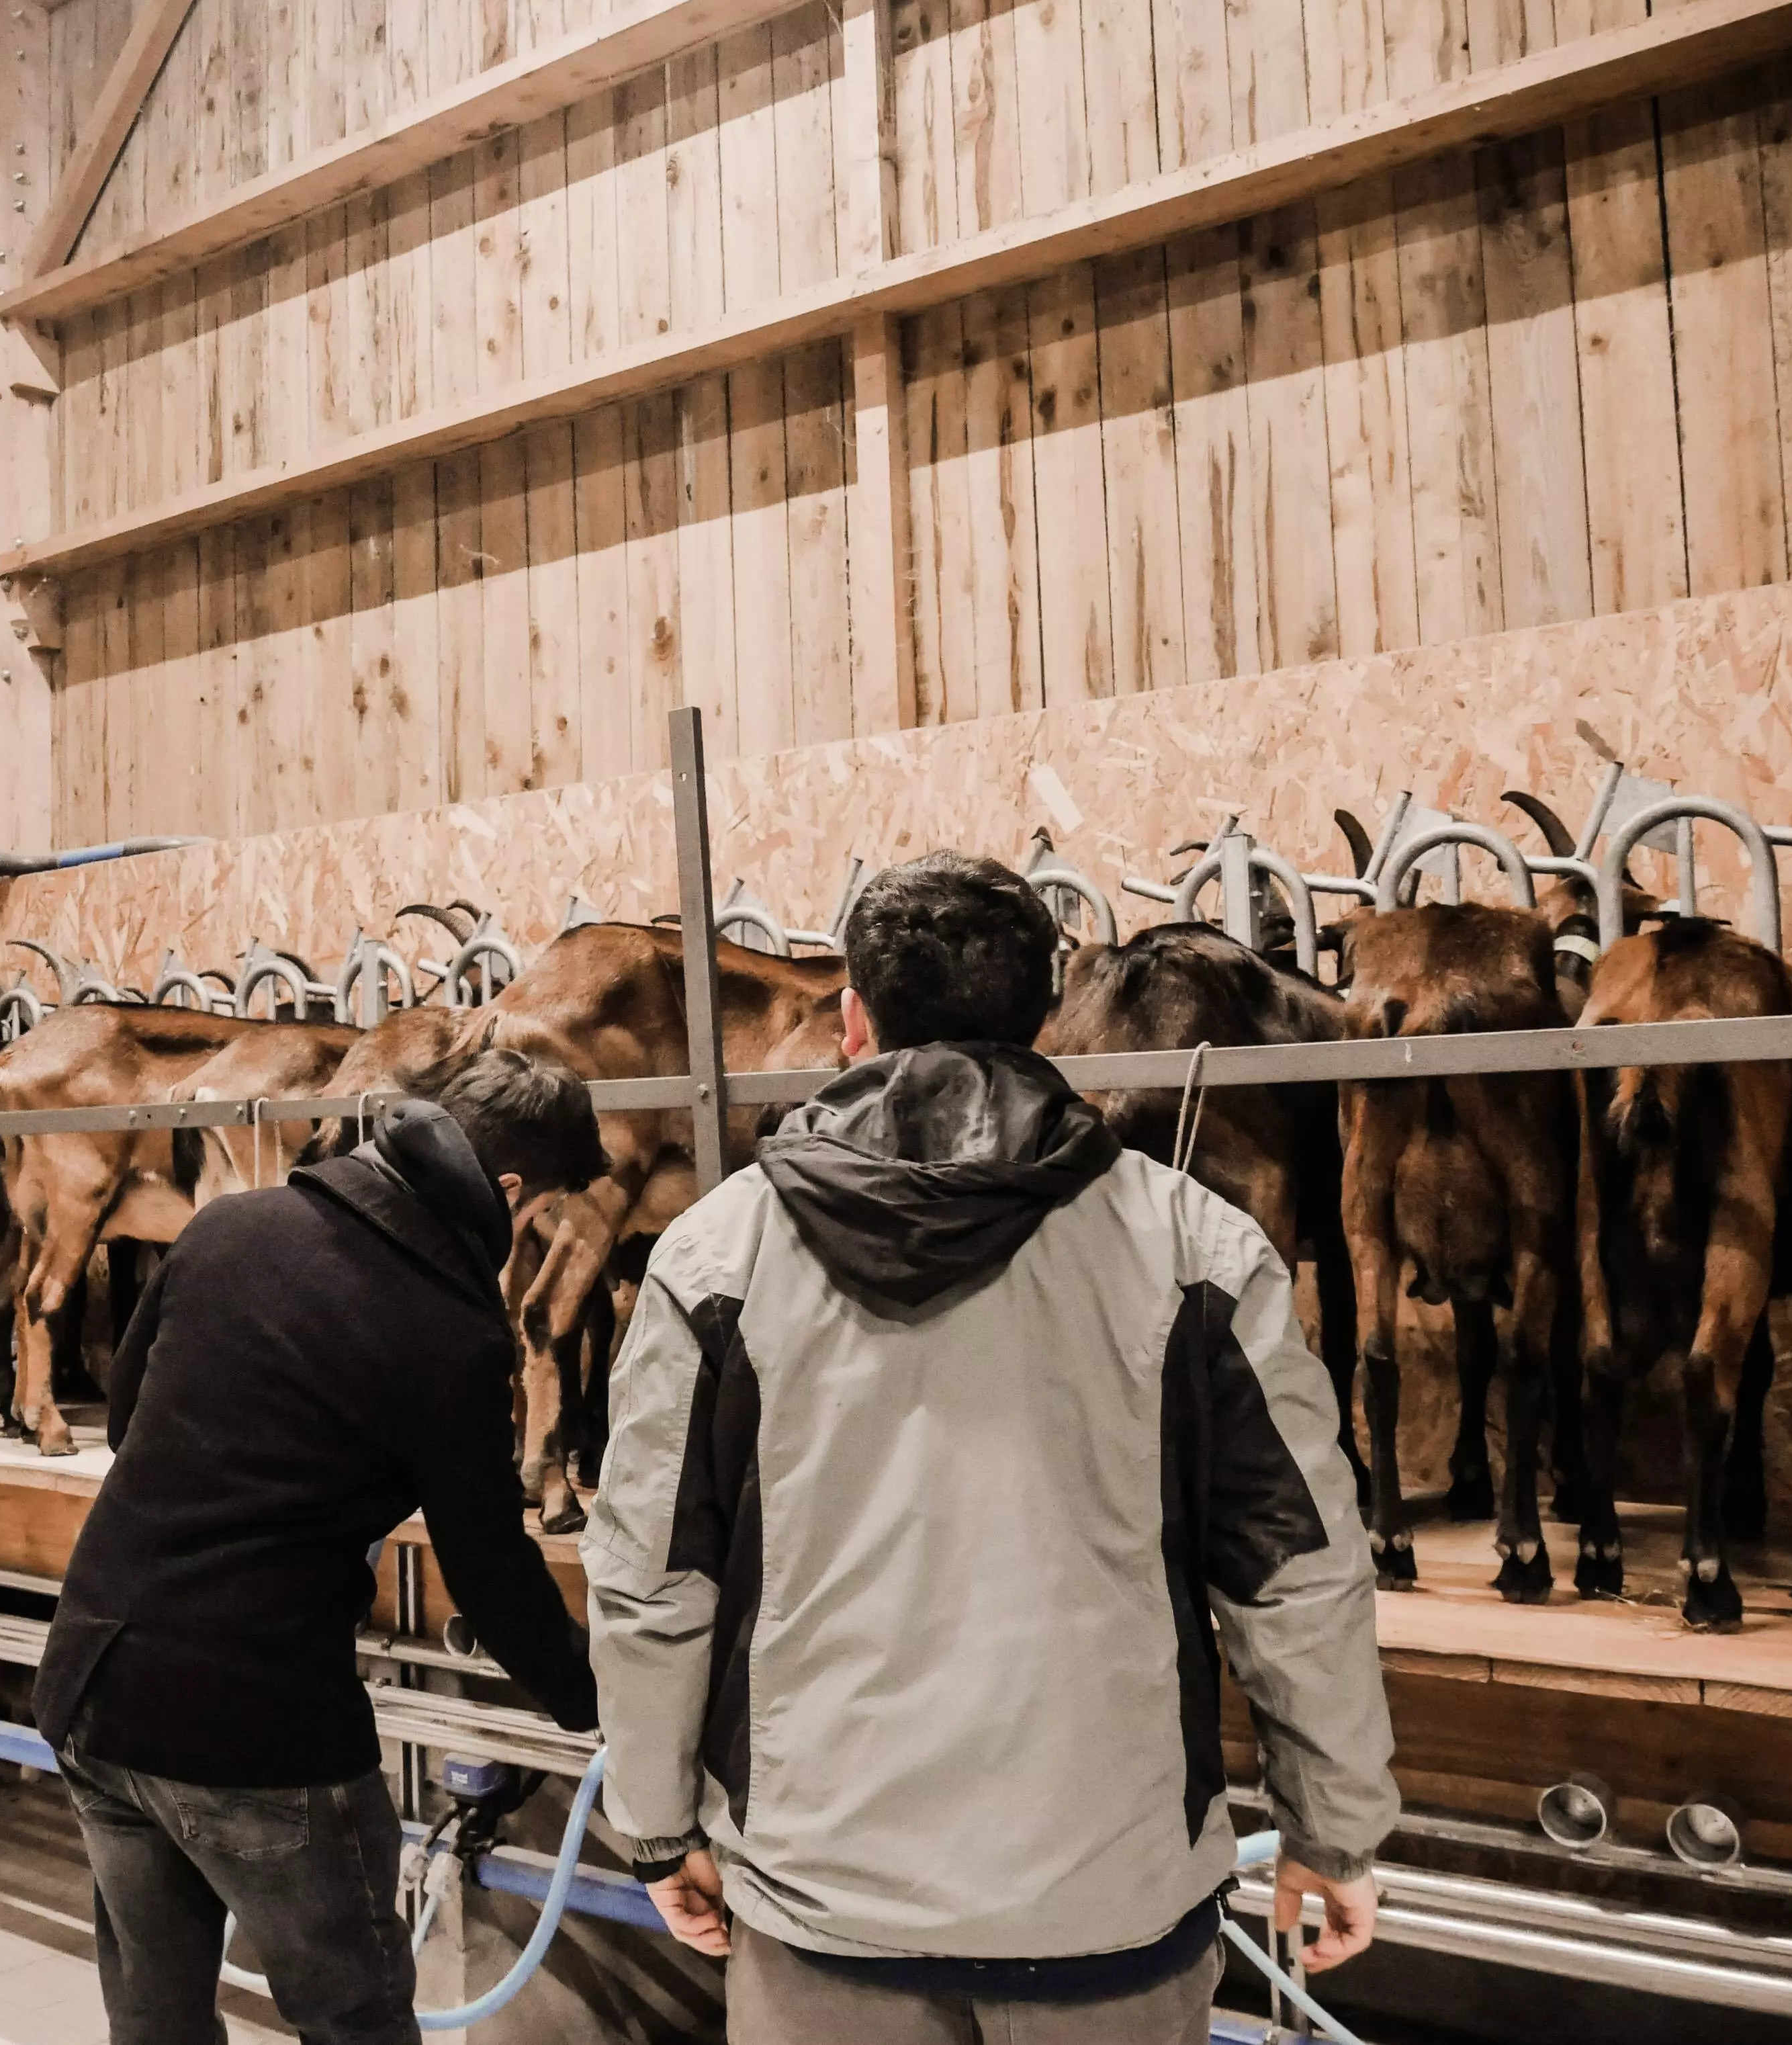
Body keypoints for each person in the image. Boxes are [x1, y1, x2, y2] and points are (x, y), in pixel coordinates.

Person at [586, 851, 1396, 2043]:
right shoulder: (1196, 1250)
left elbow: (652, 1578)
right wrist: (1332, 1829)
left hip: (826, 1919)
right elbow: (1296, 1575)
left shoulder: (715, 1260)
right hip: (1108, 1911)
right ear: (1045, 1017)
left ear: (854, 1016)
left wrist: (655, 1824)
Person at [32, 1051, 611, 2045]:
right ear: (505, 1189)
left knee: (154, 2021)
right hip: (256, 1727)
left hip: (94, 1684)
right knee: (354, 2019)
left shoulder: (233, 1226)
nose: (530, 1236)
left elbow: (129, 1419)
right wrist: (602, 1705)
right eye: (539, 1213)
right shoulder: (452, 1329)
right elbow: (487, 1569)